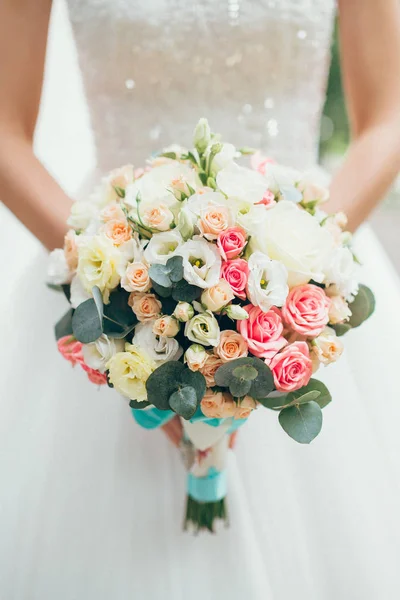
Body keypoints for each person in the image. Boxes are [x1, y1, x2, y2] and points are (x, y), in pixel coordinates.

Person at [1, 1, 400, 598]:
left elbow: (388, 115)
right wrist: (114, 296)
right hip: (106, 270)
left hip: (303, 256)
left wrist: (303, 281)